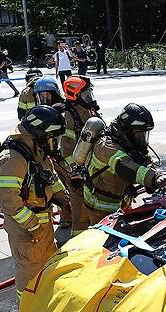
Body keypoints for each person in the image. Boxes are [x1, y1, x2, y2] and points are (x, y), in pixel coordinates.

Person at [0, 105, 68, 300]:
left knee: (46, 263)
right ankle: (27, 311)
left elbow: (50, 176)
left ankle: (42, 303)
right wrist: (33, 225)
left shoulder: (36, 151)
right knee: (29, 272)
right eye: (54, 138)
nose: (55, 143)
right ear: (40, 134)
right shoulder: (14, 159)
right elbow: (8, 199)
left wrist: (63, 197)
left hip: (41, 223)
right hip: (26, 230)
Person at [84, 103, 166, 223]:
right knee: (102, 239)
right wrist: (153, 178)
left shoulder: (129, 143)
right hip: (100, 205)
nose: (143, 139)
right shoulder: (106, 145)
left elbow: (144, 163)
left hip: (120, 201)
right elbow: (126, 167)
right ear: (128, 131)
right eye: (140, 134)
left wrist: (160, 176)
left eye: (145, 134)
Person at [61, 75, 102, 235]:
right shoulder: (70, 116)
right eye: (86, 95)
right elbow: (66, 149)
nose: (89, 98)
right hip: (79, 173)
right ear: (74, 95)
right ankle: (77, 240)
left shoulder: (87, 109)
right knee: (80, 211)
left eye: (90, 94)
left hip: (92, 166)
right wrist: (75, 172)